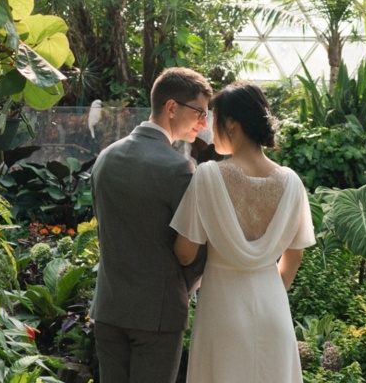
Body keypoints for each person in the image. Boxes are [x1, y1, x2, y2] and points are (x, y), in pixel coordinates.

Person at [171, 81, 315, 383]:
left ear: (232, 123)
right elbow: (296, 255)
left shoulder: (208, 176)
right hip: (273, 309)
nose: (210, 128)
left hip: (222, 310)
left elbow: (185, 254)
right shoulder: (291, 182)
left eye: (214, 119)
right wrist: (266, 289)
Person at [90, 67, 212, 383]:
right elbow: (192, 253)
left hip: (108, 309)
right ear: (171, 107)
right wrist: (177, 290)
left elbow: (104, 229)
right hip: (158, 316)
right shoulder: (181, 169)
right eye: (199, 112)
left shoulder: (105, 158)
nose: (203, 124)